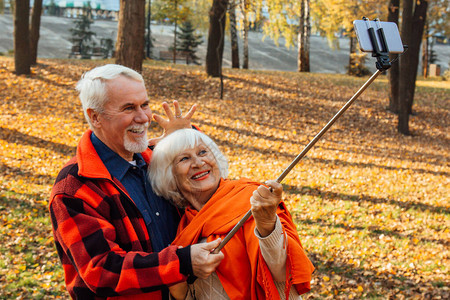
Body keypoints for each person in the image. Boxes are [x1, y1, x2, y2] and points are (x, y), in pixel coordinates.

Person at [49, 64, 224, 300]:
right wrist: (182, 263)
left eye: (145, 104)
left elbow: (209, 187)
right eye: (129, 108)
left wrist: (184, 137)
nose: (144, 117)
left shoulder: (158, 158)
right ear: (95, 116)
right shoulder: (74, 187)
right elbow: (101, 269)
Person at [149, 129, 315, 300]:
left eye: (203, 152)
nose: (198, 163)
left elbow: (283, 273)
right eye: (184, 158)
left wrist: (267, 225)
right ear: (169, 175)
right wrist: (178, 292)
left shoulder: (251, 198)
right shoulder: (184, 227)